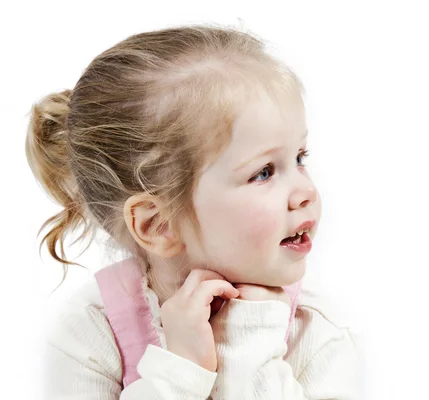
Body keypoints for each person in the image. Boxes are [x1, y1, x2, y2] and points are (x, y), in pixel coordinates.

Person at [26, 24, 361, 399]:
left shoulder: (318, 335)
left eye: (300, 157)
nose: (305, 192)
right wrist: (178, 372)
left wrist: (250, 340)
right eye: (263, 172)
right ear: (158, 224)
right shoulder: (89, 333)